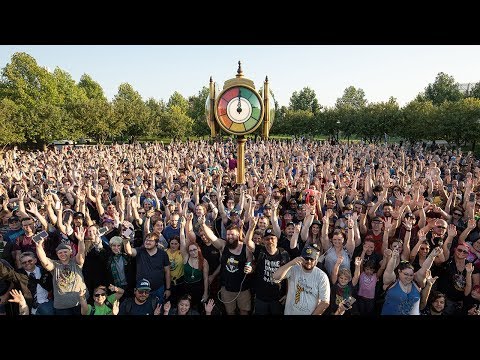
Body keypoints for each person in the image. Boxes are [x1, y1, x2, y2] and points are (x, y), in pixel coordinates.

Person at [35, 228, 87, 315]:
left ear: (70, 252)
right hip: (61, 306)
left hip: (79, 303)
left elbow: (81, 254)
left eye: (65, 252)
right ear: (57, 254)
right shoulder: (55, 264)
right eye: (60, 253)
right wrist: (38, 246)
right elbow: (44, 260)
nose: (63, 254)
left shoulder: (76, 262)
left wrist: (81, 241)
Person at [273, 244, 330, 315]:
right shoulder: (294, 268)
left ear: (316, 260)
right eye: (306, 258)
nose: (309, 261)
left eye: (311, 259)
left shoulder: (322, 276)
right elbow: (275, 277)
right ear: (301, 258)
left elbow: (325, 302)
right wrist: (291, 263)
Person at [381, 247, 441, 315]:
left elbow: (424, 269)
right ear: (399, 272)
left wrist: (431, 256)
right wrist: (394, 258)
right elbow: (389, 270)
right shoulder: (392, 282)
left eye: (411, 275)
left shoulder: (416, 283)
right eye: (406, 274)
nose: (409, 277)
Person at [123, 232, 171, 304]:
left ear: (156, 243)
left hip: (158, 289)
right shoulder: (140, 251)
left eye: (150, 241)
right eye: (146, 240)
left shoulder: (163, 254)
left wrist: (168, 289)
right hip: (142, 290)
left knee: (158, 309)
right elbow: (129, 251)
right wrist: (126, 241)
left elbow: (167, 272)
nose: (147, 242)